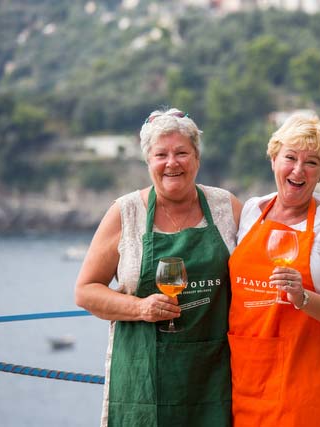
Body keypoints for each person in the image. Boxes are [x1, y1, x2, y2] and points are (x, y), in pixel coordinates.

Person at [75, 108, 241, 427]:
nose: (172, 163)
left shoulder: (226, 207)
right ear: (148, 161)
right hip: (142, 379)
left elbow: (254, 274)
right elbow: (85, 292)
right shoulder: (125, 213)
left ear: (197, 158)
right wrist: (140, 308)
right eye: (161, 154)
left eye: (181, 152)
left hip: (215, 376)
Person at [227, 112, 320, 427]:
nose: (299, 170)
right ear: (274, 159)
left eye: (312, 162)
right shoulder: (251, 211)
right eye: (290, 157)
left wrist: (303, 298)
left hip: (302, 381)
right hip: (244, 378)